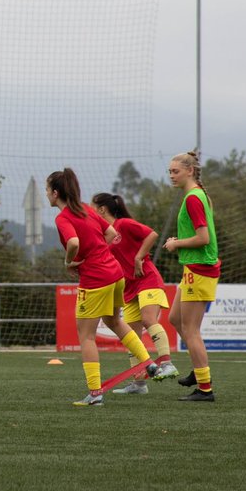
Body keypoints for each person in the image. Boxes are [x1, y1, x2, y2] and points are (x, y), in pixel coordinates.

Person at [46, 168, 156, 407]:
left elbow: (73, 242)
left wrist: (70, 262)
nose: (47, 195)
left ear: (55, 193)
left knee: (86, 337)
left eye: (47, 190)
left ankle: (95, 394)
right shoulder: (86, 208)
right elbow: (112, 232)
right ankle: (148, 362)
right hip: (116, 274)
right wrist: (99, 252)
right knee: (114, 321)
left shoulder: (63, 218)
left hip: (95, 279)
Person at [91, 192, 180, 395]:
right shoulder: (105, 235)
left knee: (149, 320)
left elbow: (152, 234)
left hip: (147, 279)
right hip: (129, 288)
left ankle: (167, 363)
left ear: (102, 209)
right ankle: (139, 383)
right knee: (131, 335)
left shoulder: (124, 224)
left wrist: (139, 257)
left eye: (92, 206)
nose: (90, 210)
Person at [163, 151, 220, 402]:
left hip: (200, 268)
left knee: (191, 330)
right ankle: (199, 370)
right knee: (175, 318)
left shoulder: (193, 198)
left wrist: (176, 244)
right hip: (192, 268)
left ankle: (205, 389)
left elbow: (203, 239)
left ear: (190, 171)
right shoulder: (195, 195)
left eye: (175, 171)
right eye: (170, 172)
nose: (171, 176)